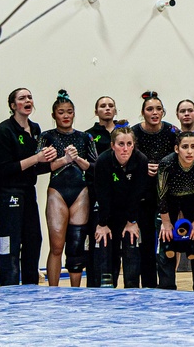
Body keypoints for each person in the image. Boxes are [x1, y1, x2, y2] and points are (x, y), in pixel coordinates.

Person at [0, 87, 57, 286]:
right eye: (22, 98)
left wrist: (59, 161)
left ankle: (30, 287)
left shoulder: (35, 129)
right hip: (8, 192)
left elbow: (36, 167)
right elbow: (4, 169)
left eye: (30, 97)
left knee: (33, 240)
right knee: (10, 243)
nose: (28, 100)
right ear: (13, 106)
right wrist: (36, 158)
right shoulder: (3, 131)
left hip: (28, 191)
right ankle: (9, 287)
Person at [38, 90, 96, 287]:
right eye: (61, 112)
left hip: (80, 192)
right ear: (54, 115)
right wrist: (64, 160)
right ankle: (53, 289)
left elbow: (95, 167)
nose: (65, 116)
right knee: (56, 246)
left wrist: (78, 159)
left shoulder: (85, 137)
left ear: (74, 114)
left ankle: (75, 291)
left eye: (69, 112)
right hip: (57, 192)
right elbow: (39, 167)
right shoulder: (46, 137)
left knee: (77, 244)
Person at [132, 91, 180, 288]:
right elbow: (127, 159)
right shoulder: (134, 132)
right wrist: (144, 169)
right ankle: (149, 283)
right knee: (147, 240)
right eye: (150, 109)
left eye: (158, 109)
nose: (154, 112)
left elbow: (182, 157)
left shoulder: (172, 131)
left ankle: (168, 284)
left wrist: (163, 169)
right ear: (143, 112)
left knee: (167, 238)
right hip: (143, 192)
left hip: (167, 193)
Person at [157, 131, 194, 291]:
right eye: (185, 147)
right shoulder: (166, 164)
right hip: (169, 202)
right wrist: (166, 222)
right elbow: (161, 195)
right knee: (166, 240)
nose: (189, 151)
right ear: (177, 149)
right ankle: (166, 286)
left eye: (193, 147)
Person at [93, 127, 147, 288]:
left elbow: (137, 193)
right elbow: (102, 194)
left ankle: (131, 287)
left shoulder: (141, 160)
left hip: (132, 209)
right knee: (107, 246)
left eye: (129, 144)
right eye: (121, 144)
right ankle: (107, 289)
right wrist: (102, 223)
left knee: (131, 244)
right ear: (112, 145)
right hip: (109, 211)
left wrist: (132, 221)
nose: (125, 148)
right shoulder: (103, 161)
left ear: (134, 145)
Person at [84, 95, 123, 287]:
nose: (107, 108)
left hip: (119, 194)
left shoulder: (123, 133)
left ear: (115, 110)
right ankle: (93, 284)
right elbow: (87, 166)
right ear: (96, 111)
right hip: (97, 194)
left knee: (116, 242)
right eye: (102, 106)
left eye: (110, 106)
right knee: (98, 239)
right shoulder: (89, 135)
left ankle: (113, 282)